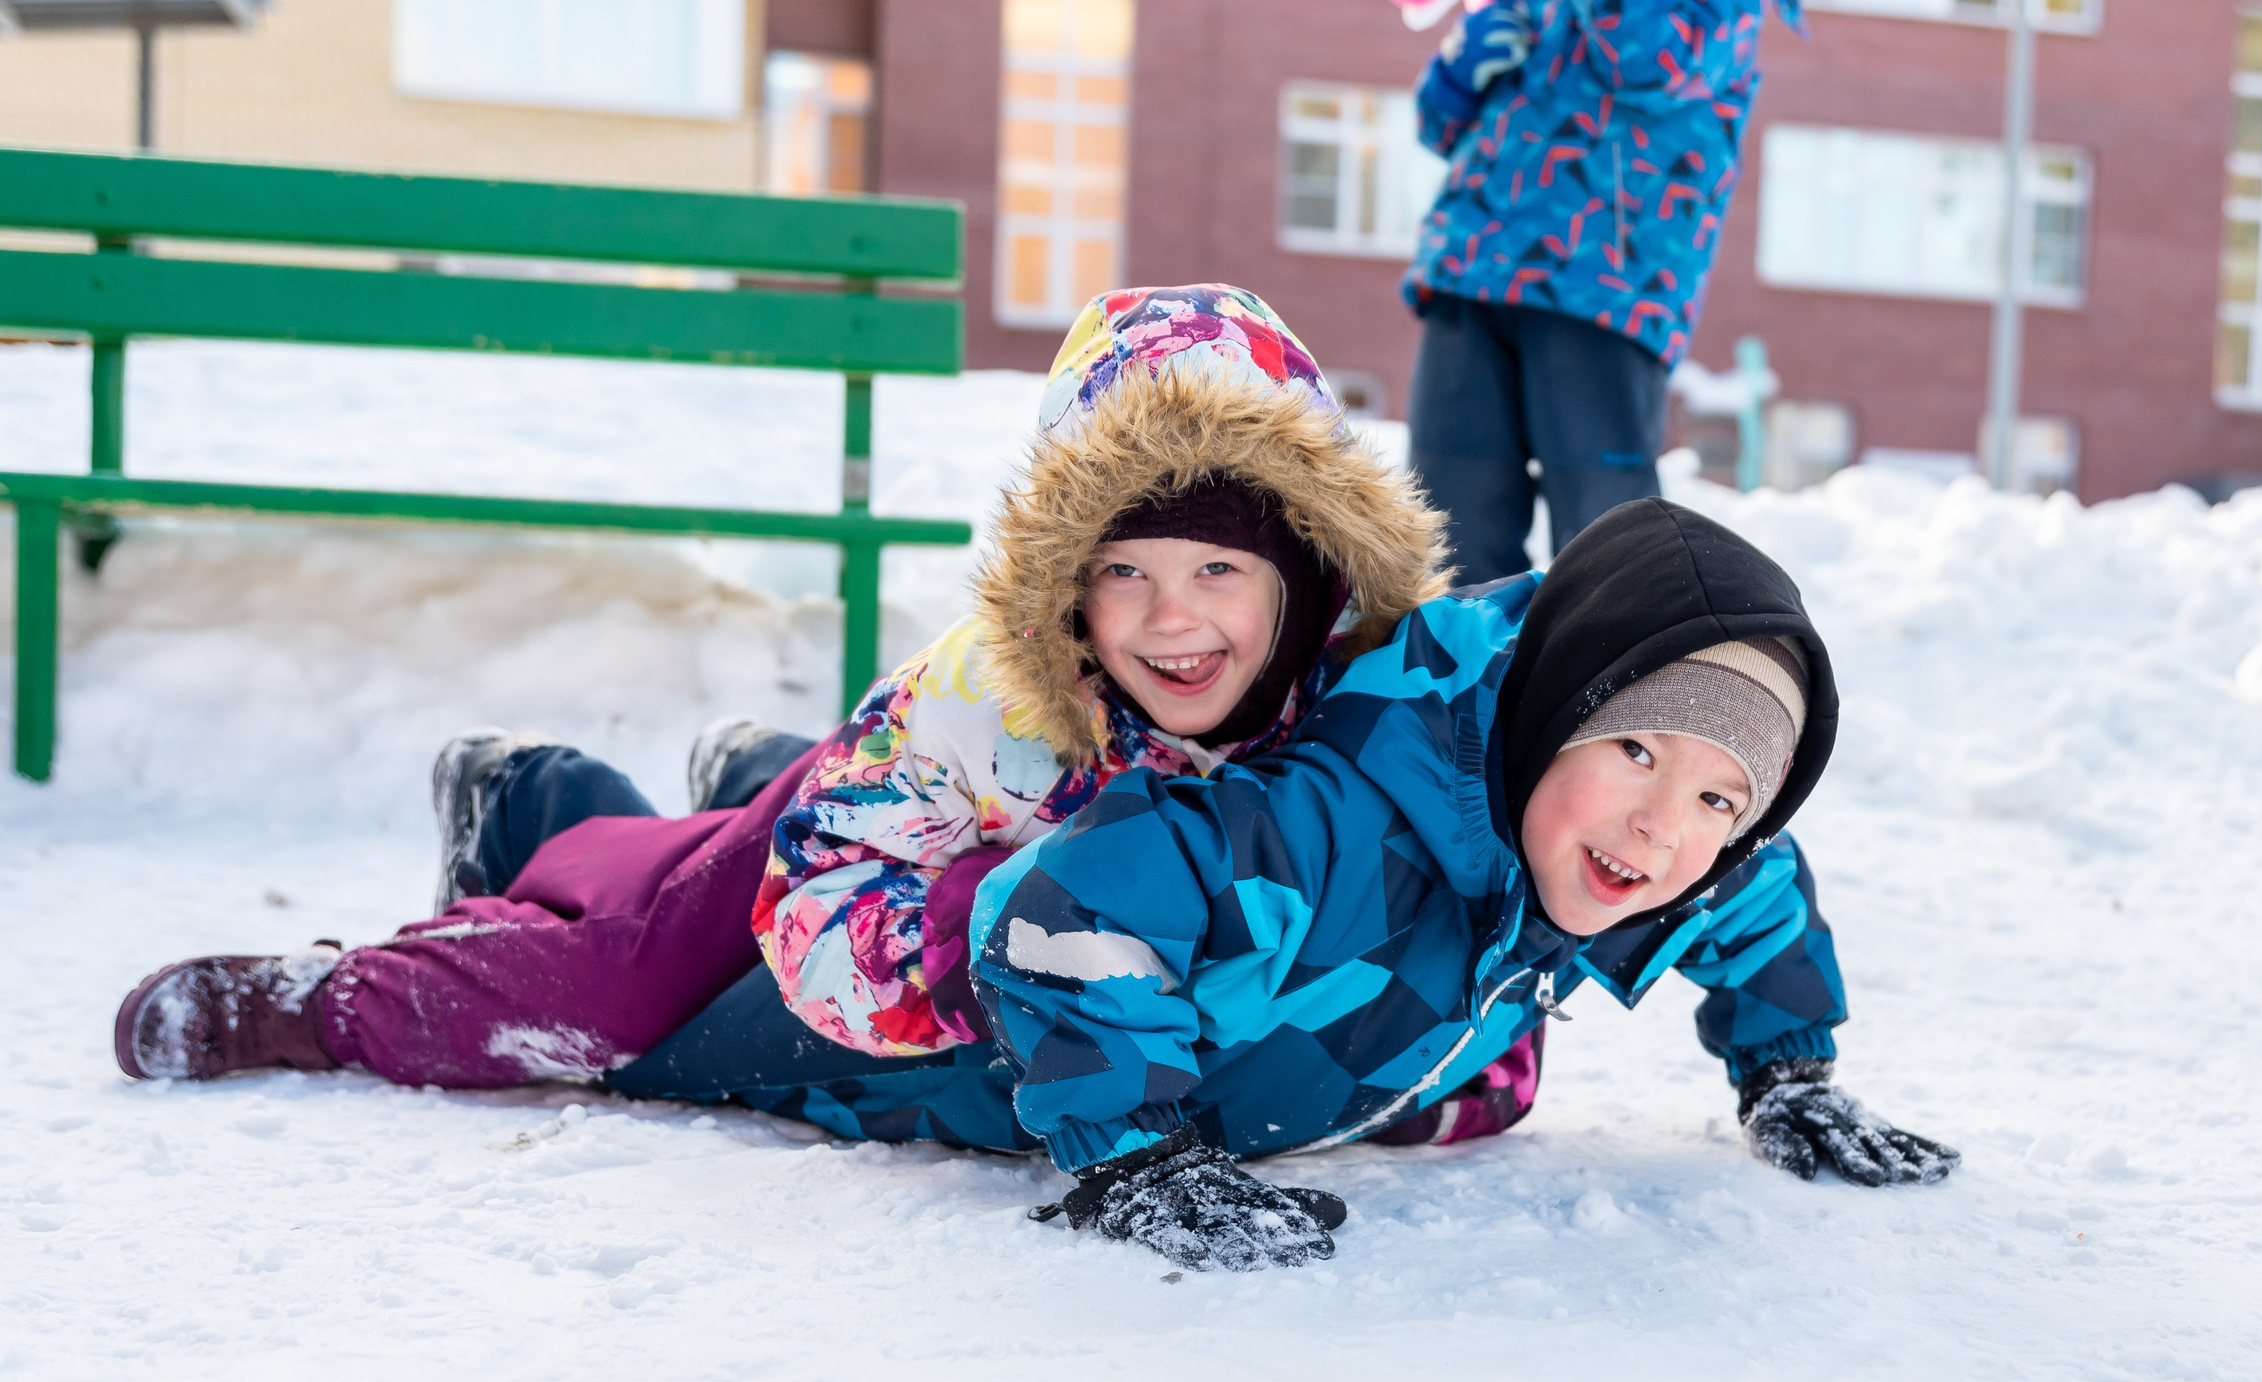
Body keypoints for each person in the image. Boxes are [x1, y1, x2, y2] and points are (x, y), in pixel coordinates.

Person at [110, 284, 1449, 1163]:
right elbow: (819, 916)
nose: (1175, 622)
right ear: (1067, 586)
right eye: (1126, 572)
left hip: (922, 827)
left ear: (1309, 573)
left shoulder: (1355, 715)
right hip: (894, 848)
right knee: (627, 988)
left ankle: (707, 776)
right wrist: (991, 924)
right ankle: (360, 968)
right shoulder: (992, 697)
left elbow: (1452, 904)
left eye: (1221, 571)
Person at [971, 496, 1952, 1273]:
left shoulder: (1661, 850)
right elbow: (1072, 900)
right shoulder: (1348, 823)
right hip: (934, 1057)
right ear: (1549, 716)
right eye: (1635, 749)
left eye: (1718, 796)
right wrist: (1138, 1150)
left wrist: (1788, 1073)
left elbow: (1756, 890)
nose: (1662, 823)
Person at [1401, 0, 1799, 584]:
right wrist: (1460, 66)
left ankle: (1615, 675)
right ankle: (1461, 673)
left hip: (1606, 284)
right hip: (1474, 268)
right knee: (1447, 528)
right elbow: (1439, 126)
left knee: (1603, 534)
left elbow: (1650, 62)